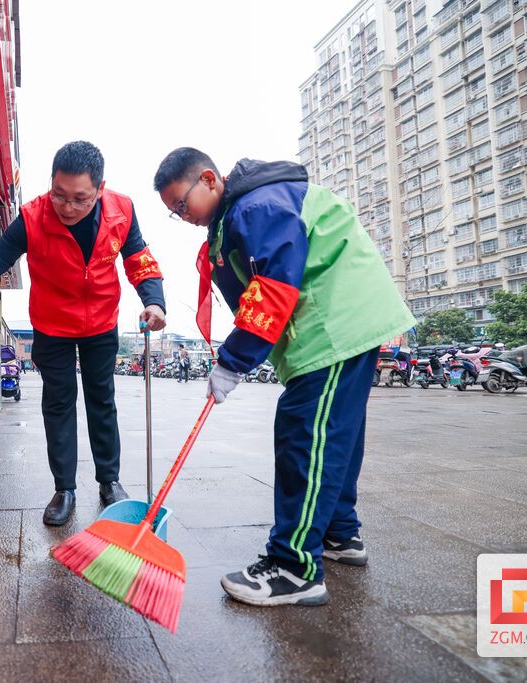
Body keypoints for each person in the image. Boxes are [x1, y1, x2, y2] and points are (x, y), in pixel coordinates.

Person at [154, 148, 415, 607]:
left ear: (210, 180)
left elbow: (273, 286)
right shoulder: (248, 207)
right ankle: (340, 534)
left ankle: (295, 568)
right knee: (336, 436)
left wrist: (232, 360)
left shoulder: (257, 206)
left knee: (305, 432)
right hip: (342, 321)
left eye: (181, 205)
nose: (183, 216)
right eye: (174, 213)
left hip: (336, 323)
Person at [0, 141, 167, 525]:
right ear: (51, 184)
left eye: (80, 199)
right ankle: (64, 487)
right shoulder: (33, 217)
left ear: (100, 189)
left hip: (101, 321)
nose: (67, 207)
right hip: (53, 324)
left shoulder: (123, 210)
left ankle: (109, 481)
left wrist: (154, 301)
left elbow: (139, 258)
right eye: (59, 195)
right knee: (59, 402)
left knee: (102, 400)